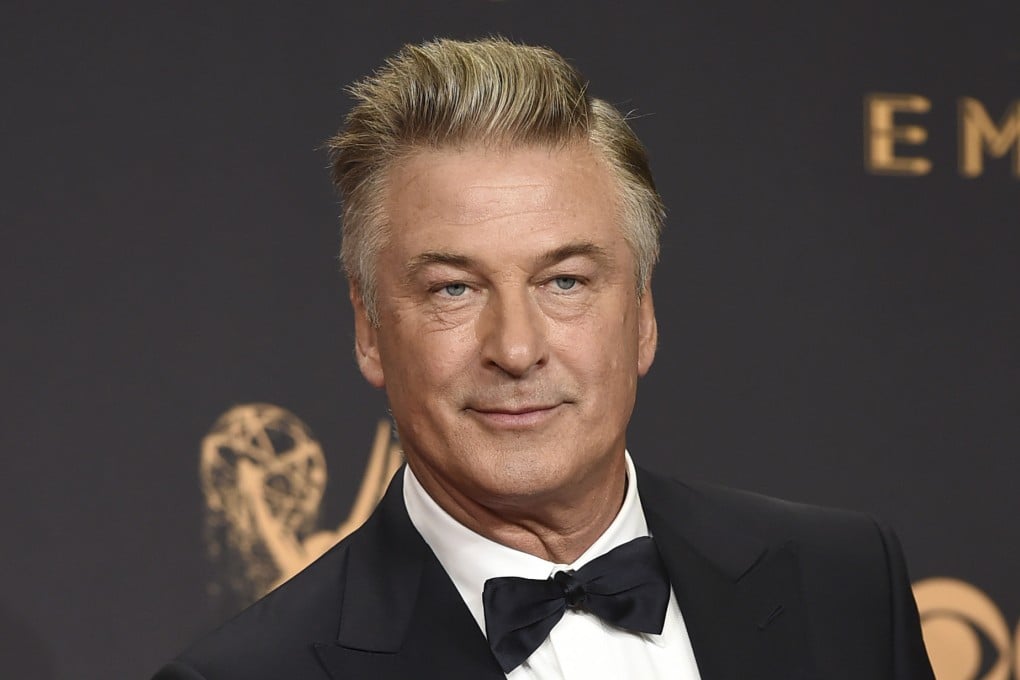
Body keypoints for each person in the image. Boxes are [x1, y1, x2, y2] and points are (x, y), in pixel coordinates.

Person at [153, 37, 935, 680]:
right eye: (454, 289)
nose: (517, 349)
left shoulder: (843, 581)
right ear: (368, 330)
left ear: (643, 313)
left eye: (565, 281)